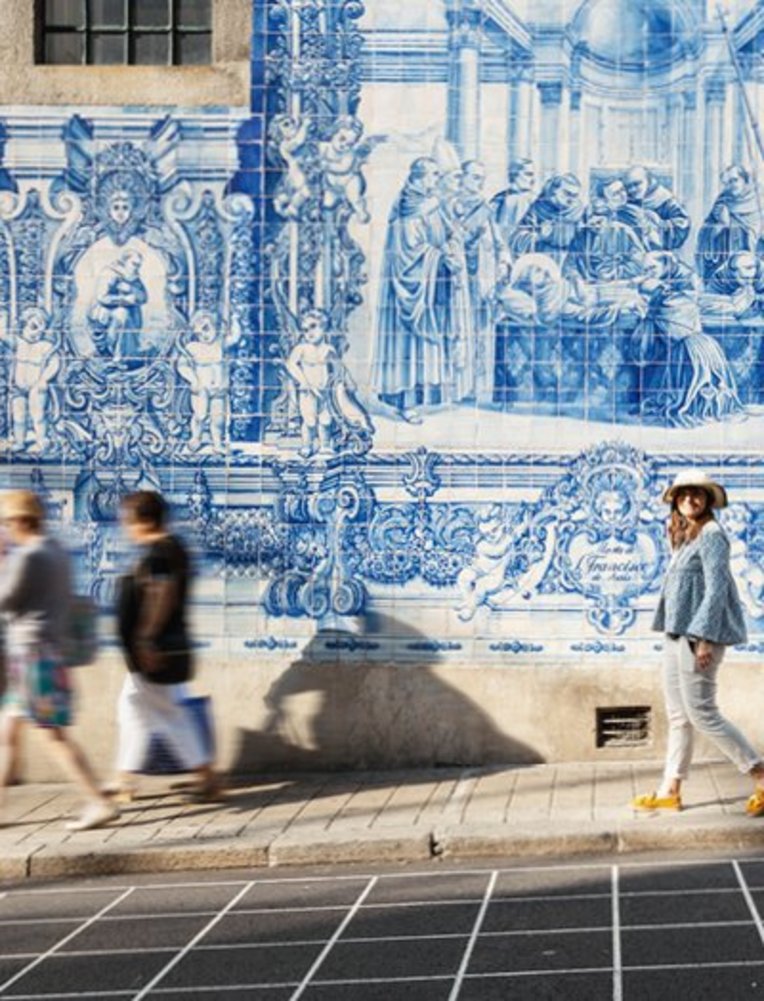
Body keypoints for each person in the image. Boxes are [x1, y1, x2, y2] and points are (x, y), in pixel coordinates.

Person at [632, 470, 764, 817]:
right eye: (684, 494)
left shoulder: (712, 535)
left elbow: (717, 589)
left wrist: (704, 639)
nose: (690, 499)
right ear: (675, 500)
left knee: (702, 713)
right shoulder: (686, 536)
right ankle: (670, 790)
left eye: (698, 495)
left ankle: (759, 774)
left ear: (707, 501)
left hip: (698, 637)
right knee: (679, 716)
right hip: (677, 633)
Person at [0, 491, 119, 830]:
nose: (6, 529)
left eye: (7, 522)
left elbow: (5, 601)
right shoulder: (56, 551)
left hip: (33, 658)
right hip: (43, 655)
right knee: (8, 733)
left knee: (52, 737)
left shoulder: (29, 557)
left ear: (21, 520)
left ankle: (97, 801)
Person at [106, 491, 222, 803]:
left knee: (168, 714)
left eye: (128, 520)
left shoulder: (159, 552)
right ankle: (124, 779)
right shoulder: (173, 548)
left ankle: (206, 777)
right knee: (134, 709)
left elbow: (162, 593)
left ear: (144, 520)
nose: (126, 527)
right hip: (160, 649)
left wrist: (146, 638)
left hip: (156, 651)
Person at [696, 165, 764, 286]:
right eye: (726, 183)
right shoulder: (722, 201)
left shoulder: (760, 199)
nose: (730, 186)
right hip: (727, 267)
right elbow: (704, 236)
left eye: (734, 180)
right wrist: (722, 225)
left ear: (746, 180)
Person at [88, 249, 147, 361]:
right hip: (104, 311)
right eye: (134, 264)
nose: (136, 268)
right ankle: (117, 355)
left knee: (133, 312)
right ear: (124, 262)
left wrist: (131, 288)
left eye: (139, 265)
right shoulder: (109, 273)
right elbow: (102, 297)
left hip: (124, 310)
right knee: (122, 315)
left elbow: (143, 297)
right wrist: (125, 299)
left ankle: (129, 354)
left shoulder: (133, 277)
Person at [622, 166, 691, 251]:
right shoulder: (626, 201)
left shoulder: (664, 199)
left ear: (648, 181)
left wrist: (658, 223)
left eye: (637, 184)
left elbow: (682, 225)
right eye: (628, 186)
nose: (632, 190)